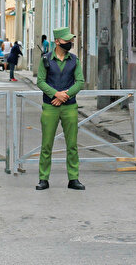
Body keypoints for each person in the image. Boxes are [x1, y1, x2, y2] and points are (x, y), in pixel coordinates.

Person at [35, 27, 85, 191]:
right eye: (66, 40)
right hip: (50, 107)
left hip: (69, 107)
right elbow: (40, 81)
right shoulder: (46, 59)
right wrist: (56, 94)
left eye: (71, 40)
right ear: (57, 41)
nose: (70, 43)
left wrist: (66, 95)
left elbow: (80, 82)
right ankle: (43, 178)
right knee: (46, 144)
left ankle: (73, 178)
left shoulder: (74, 60)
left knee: (72, 145)